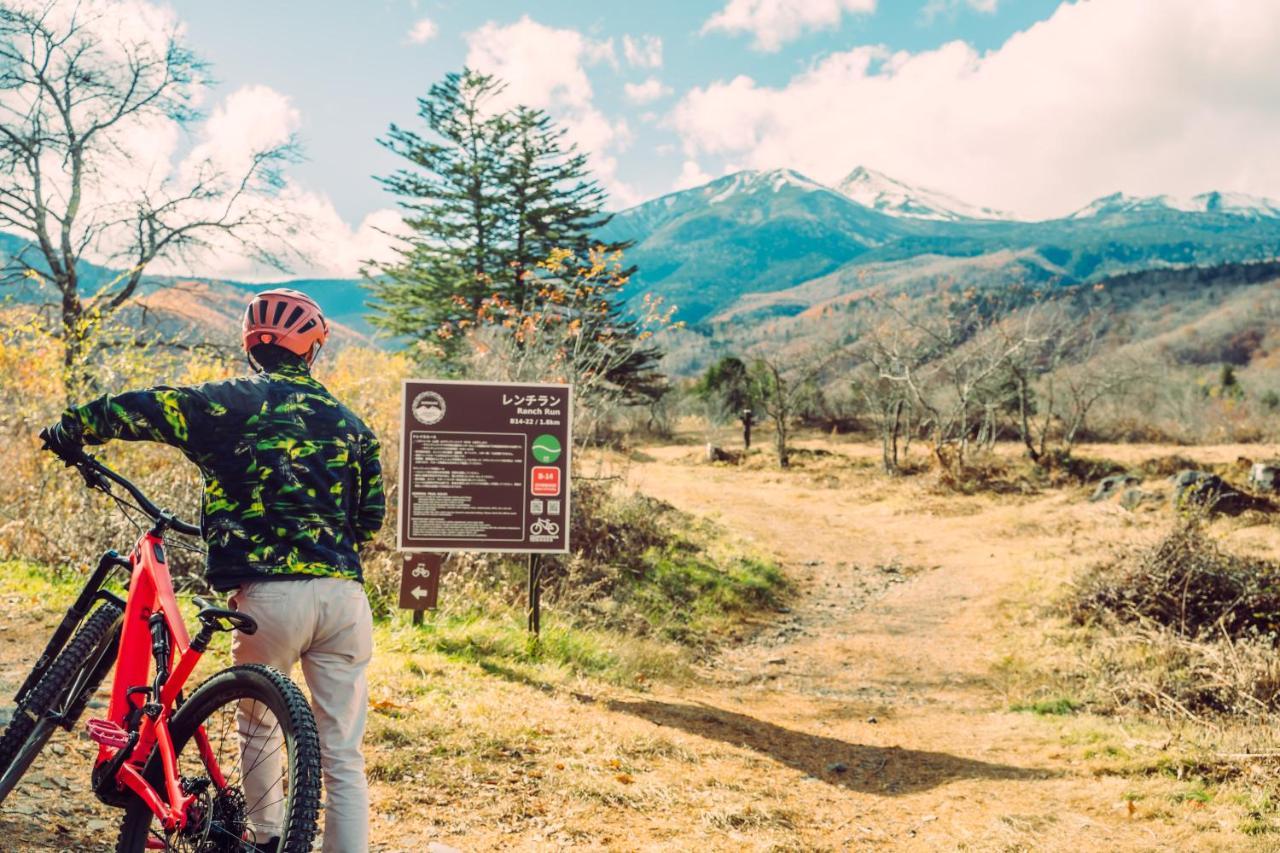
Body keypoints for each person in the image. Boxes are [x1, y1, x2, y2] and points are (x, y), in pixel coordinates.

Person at [42, 288, 385, 853]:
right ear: (312, 350)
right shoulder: (352, 426)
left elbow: (147, 408)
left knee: (260, 725)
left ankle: (267, 839)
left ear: (252, 345)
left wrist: (76, 426)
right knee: (340, 748)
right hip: (344, 599)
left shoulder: (223, 402)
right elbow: (368, 520)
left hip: (268, 598)